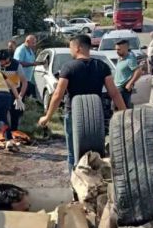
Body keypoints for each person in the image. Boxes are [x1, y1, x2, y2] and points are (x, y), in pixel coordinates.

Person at [38, 35, 126, 171]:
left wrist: (47, 117)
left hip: (74, 114)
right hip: (96, 115)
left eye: (71, 47)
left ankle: (75, 185)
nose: (70, 51)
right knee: (96, 153)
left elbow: (57, 94)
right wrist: (125, 113)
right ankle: (97, 184)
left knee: (74, 154)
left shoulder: (68, 67)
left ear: (78, 48)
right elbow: (114, 93)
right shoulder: (102, 66)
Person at [0, 48, 28, 140]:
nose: (1, 63)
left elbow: (24, 82)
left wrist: (20, 97)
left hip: (14, 91)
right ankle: (5, 134)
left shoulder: (16, 65)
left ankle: (15, 132)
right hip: (1, 91)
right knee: (2, 114)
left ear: (8, 59)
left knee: (15, 114)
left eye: (3, 61)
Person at [114, 39, 143, 108]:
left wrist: (130, 83)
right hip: (117, 88)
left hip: (123, 89)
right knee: (115, 109)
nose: (116, 51)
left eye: (119, 49)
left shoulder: (130, 58)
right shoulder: (121, 58)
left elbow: (138, 71)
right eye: (116, 49)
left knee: (124, 110)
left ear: (125, 48)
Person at [14, 34, 44, 99]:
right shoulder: (21, 49)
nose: (34, 44)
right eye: (33, 43)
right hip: (20, 80)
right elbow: (18, 63)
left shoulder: (29, 49)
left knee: (27, 97)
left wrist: (40, 63)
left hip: (28, 78)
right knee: (20, 98)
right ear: (27, 41)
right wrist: (32, 64)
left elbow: (32, 60)